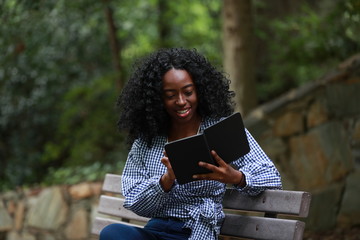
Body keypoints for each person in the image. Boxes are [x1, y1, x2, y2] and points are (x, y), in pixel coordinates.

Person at [99, 48, 282, 240]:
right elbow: (135, 201)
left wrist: (235, 177)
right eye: (170, 95)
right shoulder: (147, 141)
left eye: (188, 92)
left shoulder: (221, 130)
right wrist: (166, 180)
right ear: (157, 99)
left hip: (196, 231)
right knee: (112, 233)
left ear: (200, 90)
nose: (181, 101)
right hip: (156, 230)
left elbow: (271, 176)